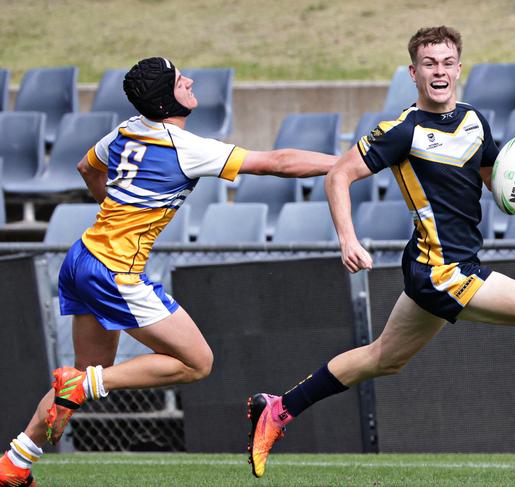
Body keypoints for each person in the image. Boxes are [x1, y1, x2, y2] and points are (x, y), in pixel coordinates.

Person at [247, 26, 515, 478]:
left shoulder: (474, 120)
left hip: (439, 264)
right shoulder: (402, 130)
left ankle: (277, 409)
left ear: (459, 68)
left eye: (447, 62)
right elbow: (338, 175)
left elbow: (500, 185)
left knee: (382, 359)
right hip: (441, 269)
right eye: (429, 63)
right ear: (414, 72)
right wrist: (348, 239)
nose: (439, 71)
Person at [0, 56, 337, 487]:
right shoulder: (186, 147)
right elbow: (278, 162)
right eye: (181, 80)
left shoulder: (126, 129)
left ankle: (16, 461)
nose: (191, 81)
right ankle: (83, 387)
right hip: (113, 268)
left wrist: (117, 206)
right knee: (196, 362)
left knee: (84, 379)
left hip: (82, 257)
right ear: (166, 97)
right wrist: (350, 162)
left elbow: (87, 168)